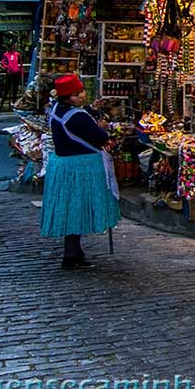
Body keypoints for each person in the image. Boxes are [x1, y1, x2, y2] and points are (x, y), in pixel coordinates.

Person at [40, 75, 119, 270]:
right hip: (81, 167)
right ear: (68, 97)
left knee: (70, 209)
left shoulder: (57, 110)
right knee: (77, 208)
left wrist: (91, 110)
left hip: (64, 165)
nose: (82, 96)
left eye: (81, 91)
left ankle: (74, 250)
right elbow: (99, 138)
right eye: (77, 94)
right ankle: (71, 254)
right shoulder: (78, 116)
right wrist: (102, 128)